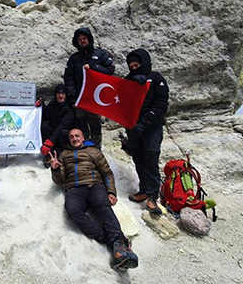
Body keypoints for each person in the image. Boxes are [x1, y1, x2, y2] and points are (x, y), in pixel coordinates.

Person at [49, 128, 138, 271]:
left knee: (103, 205)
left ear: (83, 138)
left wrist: (111, 191)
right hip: (74, 189)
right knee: (72, 210)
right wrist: (55, 169)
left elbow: (107, 173)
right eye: (71, 137)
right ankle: (113, 242)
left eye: (77, 135)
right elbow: (60, 181)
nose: (74, 138)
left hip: (94, 185)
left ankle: (118, 242)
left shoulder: (94, 152)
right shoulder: (64, 155)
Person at [124, 48, 169, 215]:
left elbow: (162, 104)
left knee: (150, 160)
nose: (133, 66)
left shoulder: (157, 78)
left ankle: (152, 198)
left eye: (136, 63)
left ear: (144, 62)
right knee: (139, 159)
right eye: (130, 64)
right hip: (133, 129)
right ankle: (143, 190)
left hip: (151, 128)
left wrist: (145, 122)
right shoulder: (129, 79)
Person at [64, 27, 115, 148]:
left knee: (95, 126)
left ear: (89, 39)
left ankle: (96, 152)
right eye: (80, 39)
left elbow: (110, 70)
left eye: (84, 38)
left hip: (95, 99)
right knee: (82, 126)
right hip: (80, 99)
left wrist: (94, 67)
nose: (82, 41)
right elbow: (69, 79)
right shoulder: (74, 58)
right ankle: (85, 152)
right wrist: (72, 98)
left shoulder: (100, 54)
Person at [37, 84, 76, 161]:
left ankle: (61, 155)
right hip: (53, 132)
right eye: (58, 93)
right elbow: (46, 116)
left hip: (62, 136)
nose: (60, 96)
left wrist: (50, 141)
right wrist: (42, 106)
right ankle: (49, 154)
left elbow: (62, 126)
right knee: (44, 126)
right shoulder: (53, 103)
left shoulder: (69, 110)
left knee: (63, 132)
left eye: (63, 94)